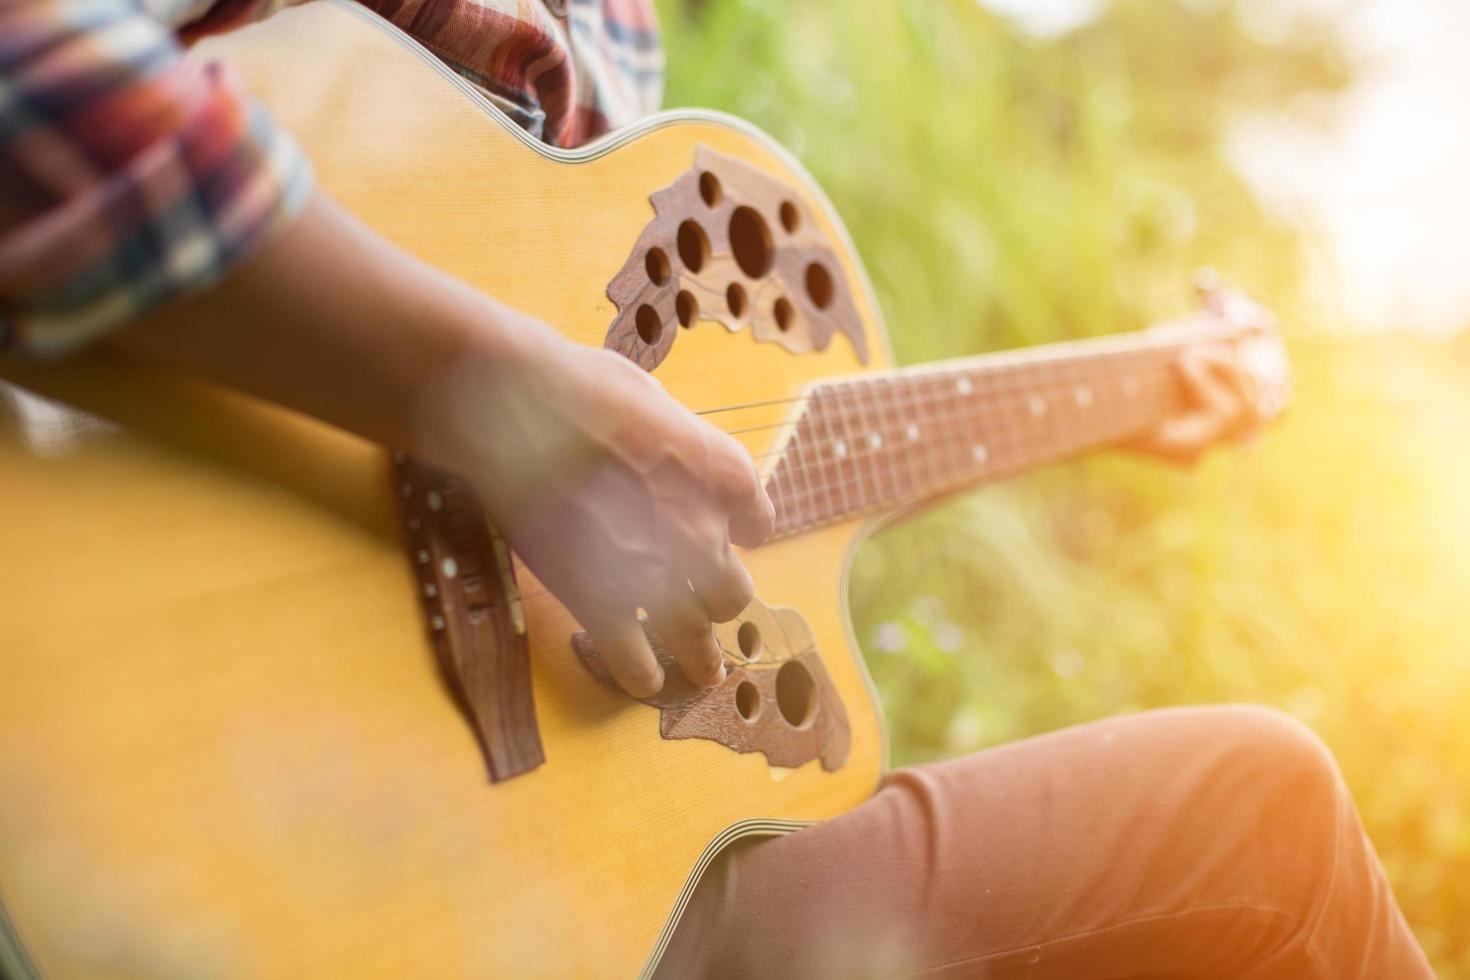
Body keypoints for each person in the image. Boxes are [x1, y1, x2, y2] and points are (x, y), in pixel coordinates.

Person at [0, 1, 1432, 976]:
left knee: (1245, 807)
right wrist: (489, 407)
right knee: (1262, 815)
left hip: (531, 872)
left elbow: (629, 419)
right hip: (166, 731)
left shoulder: (615, 21)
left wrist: (1128, 391)